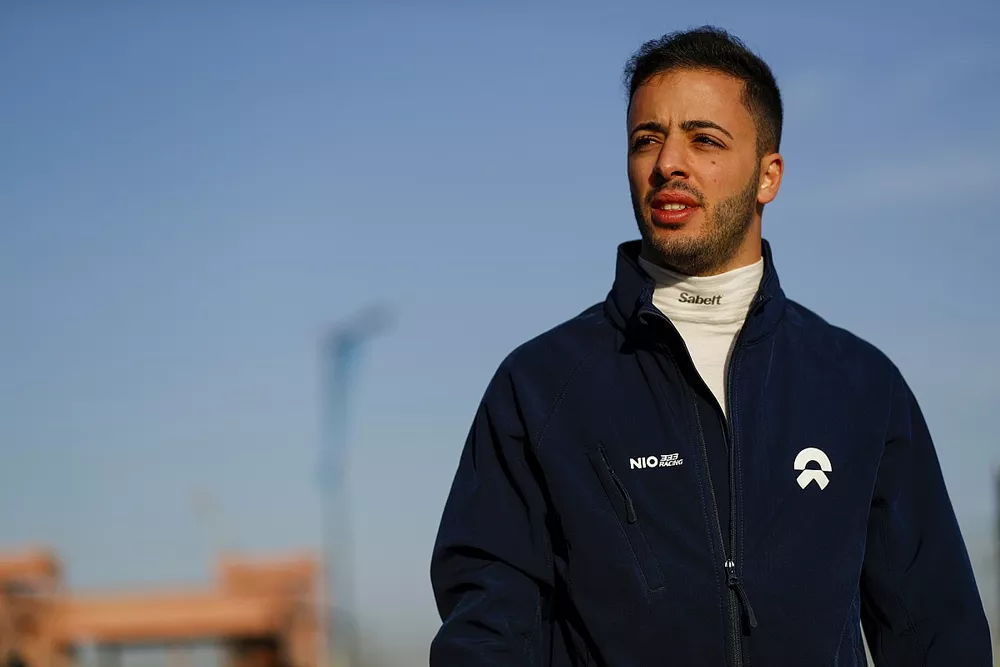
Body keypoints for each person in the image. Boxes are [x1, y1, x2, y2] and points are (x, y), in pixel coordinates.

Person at [428, 25, 992, 667]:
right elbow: (488, 631)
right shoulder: (541, 386)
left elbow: (935, 631)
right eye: (648, 140)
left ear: (767, 175)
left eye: (704, 140)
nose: (669, 163)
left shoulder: (860, 385)